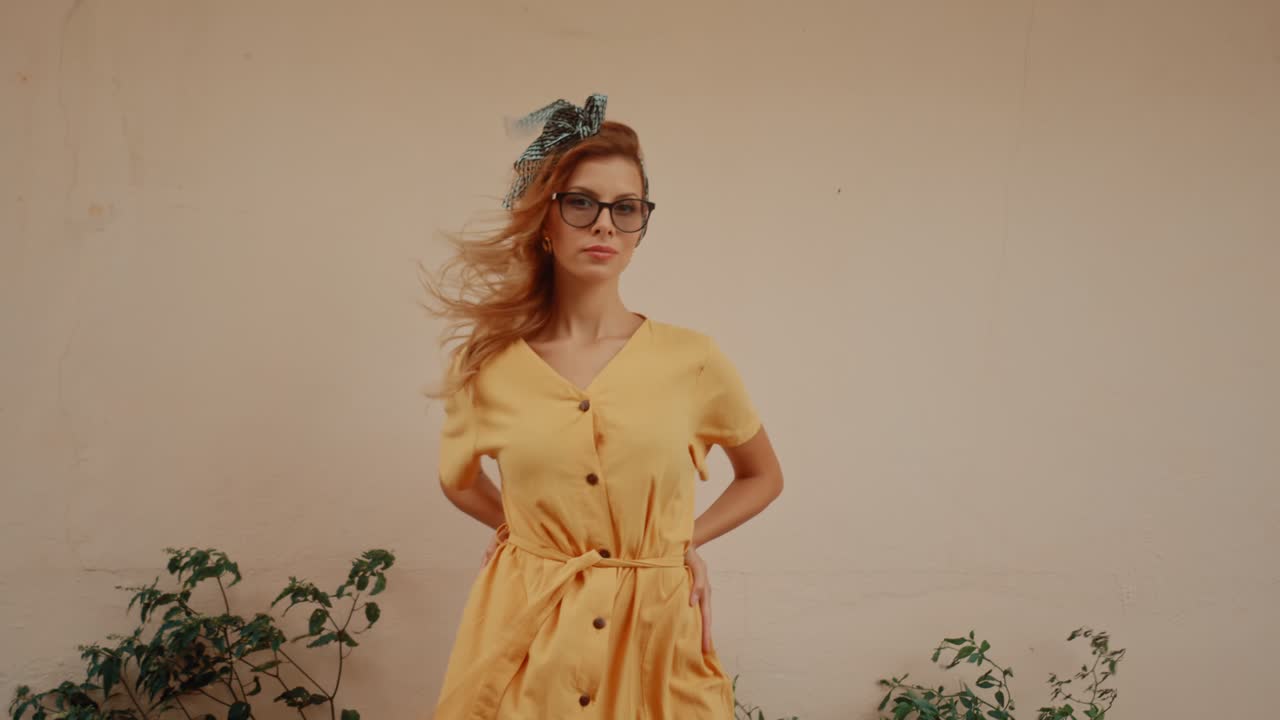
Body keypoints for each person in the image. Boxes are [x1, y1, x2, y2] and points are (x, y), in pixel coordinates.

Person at [420, 93, 785, 719]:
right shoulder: (489, 367)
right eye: (582, 202)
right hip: (531, 638)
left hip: (651, 637)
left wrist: (677, 543)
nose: (605, 225)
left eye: (627, 208)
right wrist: (525, 533)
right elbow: (457, 481)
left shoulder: (691, 360)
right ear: (546, 219)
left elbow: (763, 476)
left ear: (643, 225)